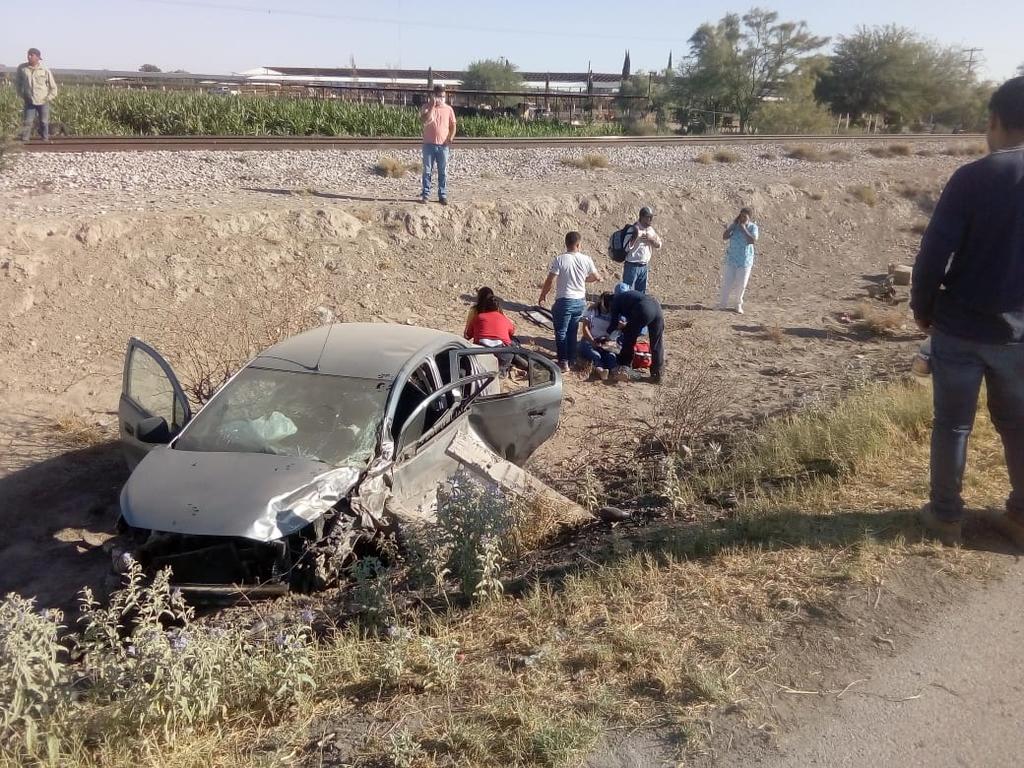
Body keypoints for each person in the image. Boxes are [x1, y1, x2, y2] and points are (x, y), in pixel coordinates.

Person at [910, 76, 1024, 548]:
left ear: (994, 119)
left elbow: (934, 253)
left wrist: (923, 307)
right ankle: (1020, 517)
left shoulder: (974, 177)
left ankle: (945, 516)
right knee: (1018, 424)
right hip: (1019, 334)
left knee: (953, 424)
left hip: (960, 327)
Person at [538, 231, 603, 373]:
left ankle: (563, 362)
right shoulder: (586, 259)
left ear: (566, 244)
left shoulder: (560, 259)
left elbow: (550, 280)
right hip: (580, 301)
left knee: (561, 332)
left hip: (564, 300)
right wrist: (582, 279)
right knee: (572, 331)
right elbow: (597, 277)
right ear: (578, 245)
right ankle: (572, 360)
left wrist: (543, 294)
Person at [608, 288, 664, 384]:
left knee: (629, 338)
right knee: (657, 343)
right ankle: (657, 374)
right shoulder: (627, 297)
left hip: (644, 308)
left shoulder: (615, 302)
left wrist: (608, 335)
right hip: (657, 307)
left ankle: (625, 367)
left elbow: (613, 325)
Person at [420, 85, 457, 205]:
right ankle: (425, 195)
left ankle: (442, 195)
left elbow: (453, 125)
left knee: (442, 171)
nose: (441, 98)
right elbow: (424, 120)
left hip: (443, 146)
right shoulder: (426, 107)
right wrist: (432, 106)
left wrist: (450, 137)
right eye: (439, 96)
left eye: (443, 96)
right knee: (427, 170)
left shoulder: (448, 109)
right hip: (428, 145)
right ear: (434, 96)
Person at [718, 207, 759, 314]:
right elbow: (725, 237)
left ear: (749, 217)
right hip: (732, 259)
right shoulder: (735, 226)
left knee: (741, 284)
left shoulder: (753, 227)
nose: (742, 218)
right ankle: (722, 304)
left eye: (745, 216)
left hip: (745, 261)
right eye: (741, 215)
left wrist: (744, 228)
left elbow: (752, 240)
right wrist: (730, 228)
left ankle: (738, 304)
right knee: (727, 282)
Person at [467, 295, 521, 375]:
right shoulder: (504, 318)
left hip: (480, 352)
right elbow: (512, 332)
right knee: (514, 342)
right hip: (502, 354)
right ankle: (503, 370)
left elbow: (468, 335)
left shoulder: (478, 317)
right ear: (498, 308)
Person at [16, 48, 58, 142]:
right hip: (29, 100)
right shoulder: (22, 68)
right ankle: (25, 140)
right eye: (28, 54)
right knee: (28, 122)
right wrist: (22, 94)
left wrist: (48, 98)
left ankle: (45, 139)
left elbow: (53, 87)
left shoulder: (44, 70)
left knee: (43, 121)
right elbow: (18, 83)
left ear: (38, 57)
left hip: (43, 101)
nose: (29, 56)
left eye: (32, 55)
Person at [621, 206, 663, 293]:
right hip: (632, 266)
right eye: (648, 217)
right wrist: (636, 237)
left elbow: (659, 244)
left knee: (641, 294)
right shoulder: (633, 229)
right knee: (627, 292)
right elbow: (626, 247)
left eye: (652, 217)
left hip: (644, 266)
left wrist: (650, 239)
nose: (651, 219)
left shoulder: (651, 230)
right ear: (642, 217)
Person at [579, 292, 619, 380]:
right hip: (589, 340)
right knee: (595, 355)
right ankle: (600, 371)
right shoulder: (592, 310)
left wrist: (609, 342)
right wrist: (592, 341)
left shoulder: (613, 314)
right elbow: (585, 328)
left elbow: (615, 332)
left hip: (605, 342)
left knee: (610, 356)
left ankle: (615, 372)